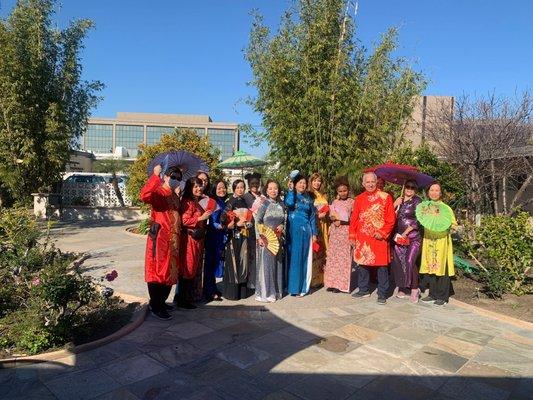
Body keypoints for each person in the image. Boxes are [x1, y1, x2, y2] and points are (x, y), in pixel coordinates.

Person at [140, 164, 182, 320]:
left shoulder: (174, 195)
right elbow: (144, 196)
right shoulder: (159, 192)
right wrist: (155, 175)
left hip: (174, 240)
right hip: (160, 238)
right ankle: (155, 304)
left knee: (169, 271)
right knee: (158, 271)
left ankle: (162, 301)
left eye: (178, 178)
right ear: (166, 176)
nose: (175, 180)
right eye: (173, 177)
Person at [350, 172, 396, 304]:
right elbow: (354, 219)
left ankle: (382, 293)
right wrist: (352, 236)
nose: (370, 184)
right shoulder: (358, 199)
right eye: (367, 182)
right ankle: (363, 289)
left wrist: (382, 233)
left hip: (379, 238)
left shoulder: (385, 197)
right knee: (363, 264)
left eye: (372, 182)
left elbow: (391, 219)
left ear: (376, 182)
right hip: (363, 237)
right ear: (363, 184)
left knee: (382, 266)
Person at [174, 177, 212, 309]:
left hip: (196, 240)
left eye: (200, 186)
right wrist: (201, 217)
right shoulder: (187, 202)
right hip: (189, 240)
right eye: (195, 186)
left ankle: (183, 298)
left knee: (191, 268)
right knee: (187, 269)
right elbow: (184, 220)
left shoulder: (195, 202)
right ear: (190, 188)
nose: (199, 188)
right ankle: (182, 300)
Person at [419, 182, 457, 306]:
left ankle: (442, 296)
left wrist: (451, 228)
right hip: (429, 240)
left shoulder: (445, 209)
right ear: (428, 192)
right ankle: (432, 294)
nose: (434, 193)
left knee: (442, 267)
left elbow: (454, 225)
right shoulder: (425, 207)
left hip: (441, 241)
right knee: (431, 267)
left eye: (437, 190)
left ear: (440, 193)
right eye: (431, 190)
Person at [285, 173, 318, 296]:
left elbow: (312, 217)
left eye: (304, 183)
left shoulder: (309, 199)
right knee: (294, 258)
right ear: (295, 184)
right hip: (293, 231)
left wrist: (314, 233)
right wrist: (290, 190)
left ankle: (303, 288)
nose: (302, 185)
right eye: (300, 183)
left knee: (305, 258)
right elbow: (289, 204)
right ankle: (293, 288)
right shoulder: (291, 195)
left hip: (306, 231)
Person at [391, 179, 423, 303]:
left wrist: (406, 232)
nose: (409, 189)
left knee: (410, 261)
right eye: (408, 187)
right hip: (399, 238)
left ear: (416, 189)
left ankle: (415, 288)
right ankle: (402, 287)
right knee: (399, 262)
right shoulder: (399, 200)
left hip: (413, 237)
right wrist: (394, 204)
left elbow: (419, 220)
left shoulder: (418, 201)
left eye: (412, 187)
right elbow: (390, 216)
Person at [221, 179, 253, 300]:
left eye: (242, 187)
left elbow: (249, 217)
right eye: (238, 187)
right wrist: (234, 223)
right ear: (233, 188)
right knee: (233, 262)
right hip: (233, 236)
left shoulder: (245, 202)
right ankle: (232, 293)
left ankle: (242, 292)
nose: (240, 189)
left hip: (244, 235)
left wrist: (248, 222)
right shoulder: (230, 201)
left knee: (243, 261)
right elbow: (223, 218)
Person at [255, 180, 286, 302]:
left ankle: (276, 291)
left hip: (277, 239)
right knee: (267, 265)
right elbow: (257, 221)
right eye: (271, 188)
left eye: (276, 188)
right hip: (266, 239)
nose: (273, 191)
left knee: (277, 264)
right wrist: (259, 237)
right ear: (266, 191)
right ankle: (266, 293)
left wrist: (282, 227)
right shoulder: (264, 204)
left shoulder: (282, 204)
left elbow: (284, 221)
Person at [324, 177, 355, 293]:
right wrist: (332, 217)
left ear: (348, 190)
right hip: (335, 232)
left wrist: (341, 221)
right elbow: (331, 215)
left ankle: (341, 285)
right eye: (340, 191)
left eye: (344, 190)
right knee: (333, 258)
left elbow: (354, 219)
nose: (343, 193)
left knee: (344, 258)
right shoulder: (335, 202)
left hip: (345, 232)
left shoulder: (352, 202)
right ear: (337, 192)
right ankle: (332, 283)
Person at [203, 180, 228, 302]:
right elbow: (211, 221)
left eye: (223, 188)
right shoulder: (212, 202)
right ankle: (209, 291)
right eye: (219, 188)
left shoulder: (223, 202)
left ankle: (212, 288)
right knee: (210, 265)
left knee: (216, 263)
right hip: (212, 236)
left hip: (220, 237)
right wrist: (221, 226)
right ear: (214, 189)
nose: (222, 190)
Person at [243, 172, 262, 291]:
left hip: (261, 228)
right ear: (248, 184)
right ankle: (251, 281)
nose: (254, 185)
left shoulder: (263, 196)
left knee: (260, 254)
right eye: (252, 183)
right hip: (250, 228)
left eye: (256, 183)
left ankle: (260, 280)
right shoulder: (245, 197)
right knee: (251, 254)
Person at [309, 173, 328, 287]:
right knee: (314, 251)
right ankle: (314, 280)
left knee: (322, 251)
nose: (317, 183)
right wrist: (317, 215)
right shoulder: (310, 195)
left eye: (319, 181)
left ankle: (322, 278)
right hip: (315, 224)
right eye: (315, 181)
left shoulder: (322, 195)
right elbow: (309, 211)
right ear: (310, 182)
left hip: (324, 225)